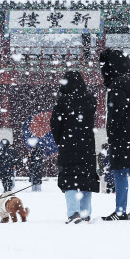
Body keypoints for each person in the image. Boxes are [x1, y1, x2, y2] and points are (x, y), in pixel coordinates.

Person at [98, 49, 130, 221]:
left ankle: (120, 210)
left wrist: (111, 131)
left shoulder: (118, 83)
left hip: (123, 134)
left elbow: (116, 112)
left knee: (120, 171)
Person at [50, 71, 99, 224]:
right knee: (86, 179)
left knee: (70, 179)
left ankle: (73, 213)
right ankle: (85, 214)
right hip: (87, 146)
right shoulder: (91, 101)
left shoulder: (62, 103)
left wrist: (61, 141)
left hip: (68, 146)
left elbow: (55, 125)